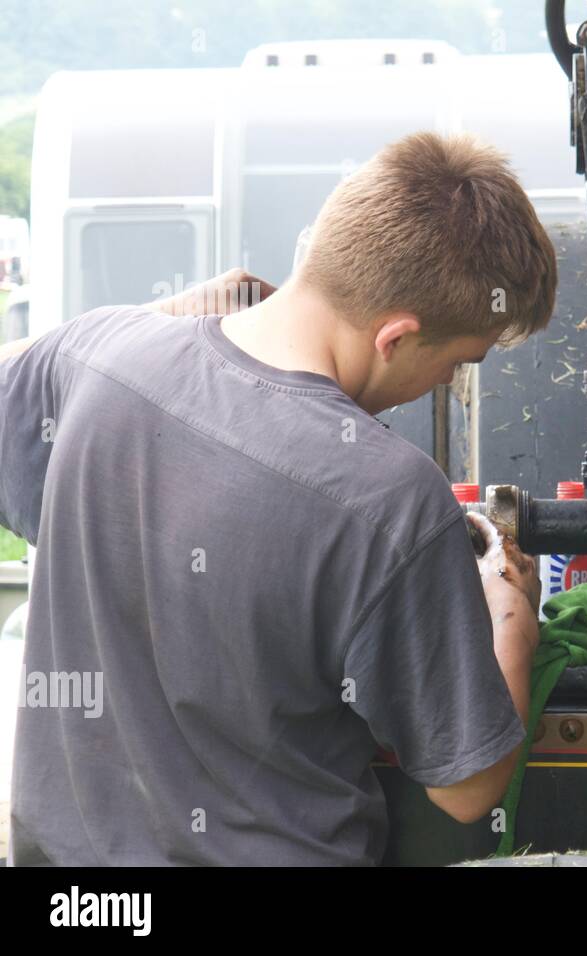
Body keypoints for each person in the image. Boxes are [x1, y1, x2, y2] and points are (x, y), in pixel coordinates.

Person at [0, 131, 551, 865]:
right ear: (396, 336)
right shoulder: (390, 497)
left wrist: (151, 326)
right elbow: (469, 787)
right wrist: (511, 614)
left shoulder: (96, 354)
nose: (449, 384)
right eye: (458, 361)